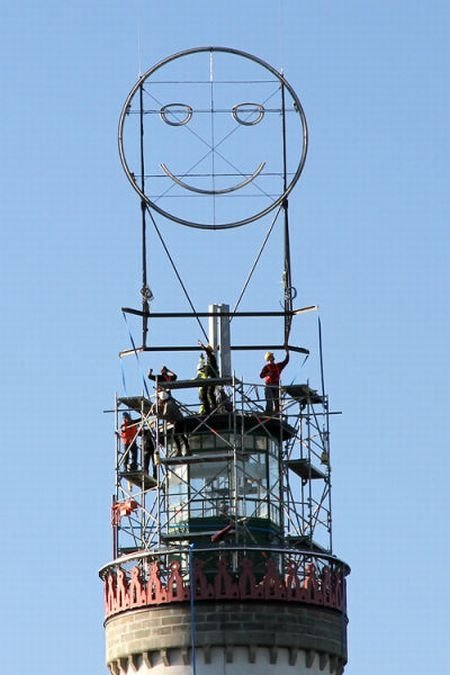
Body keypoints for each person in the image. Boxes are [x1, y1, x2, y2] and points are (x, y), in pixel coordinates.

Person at [151, 390, 190, 457]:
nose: (159, 401)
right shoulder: (171, 402)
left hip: (178, 421)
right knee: (181, 435)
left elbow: (166, 416)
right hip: (180, 420)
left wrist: (158, 415)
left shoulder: (168, 405)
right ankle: (187, 450)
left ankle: (180, 451)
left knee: (176, 436)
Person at [259, 350, 290, 415]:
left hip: (276, 385)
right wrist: (267, 374)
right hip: (269, 385)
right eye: (271, 356)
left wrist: (287, 353)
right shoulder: (267, 367)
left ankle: (277, 413)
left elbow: (285, 362)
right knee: (269, 400)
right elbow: (261, 375)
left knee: (277, 401)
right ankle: (269, 413)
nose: (273, 357)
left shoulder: (278, 366)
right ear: (269, 358)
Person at [197, 341, 219, 414]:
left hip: (211, 378)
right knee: (208, 393)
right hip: (210, 378)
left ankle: (211, 410)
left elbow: (208, 352)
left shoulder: (211, 357)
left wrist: (202, 346)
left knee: (208, 393)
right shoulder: (210, 359)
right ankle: (211, 409)